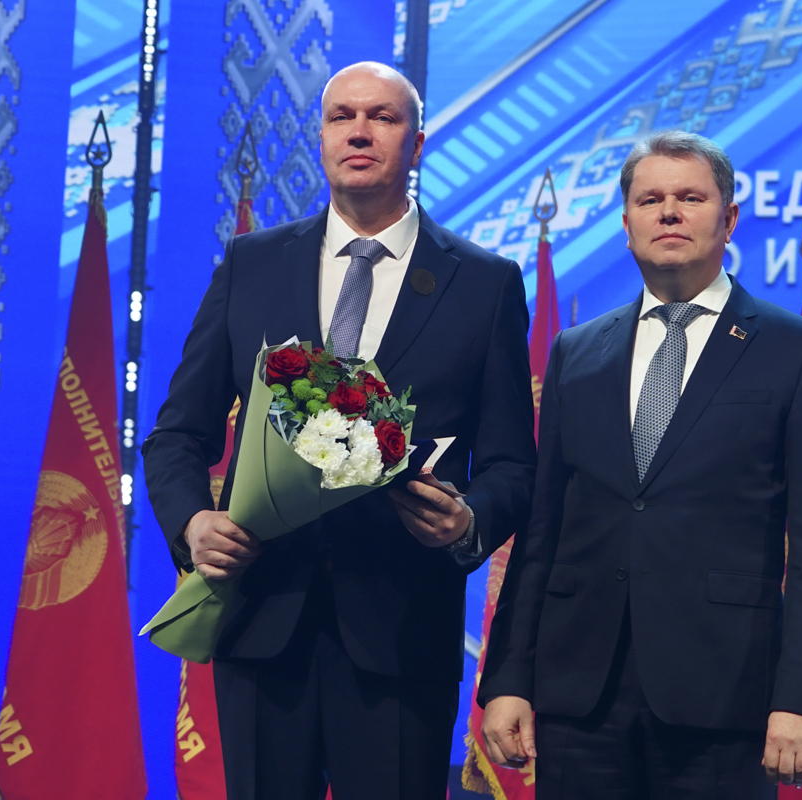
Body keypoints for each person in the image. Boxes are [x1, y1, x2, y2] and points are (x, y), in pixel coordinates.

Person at [142, 62, 536, 800]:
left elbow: (514, 464)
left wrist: (468, 522)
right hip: (261, 620)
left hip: (402, 630)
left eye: (382, 117)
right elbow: (177, 435)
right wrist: (192, 523)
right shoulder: (254, 263)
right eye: (341, 117)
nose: (359, 131)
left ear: (417, 143)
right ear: (321, 137)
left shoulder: (485, 283)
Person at [477, 131, 802, 799]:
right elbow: (542, 532)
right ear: (627, 225)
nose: (670, 212)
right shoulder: (576, 352)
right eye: (650, 200)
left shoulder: (798, 350)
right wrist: (507, 677)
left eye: (690, 198)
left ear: (728, 219)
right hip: (579, 699)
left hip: (724, 698)